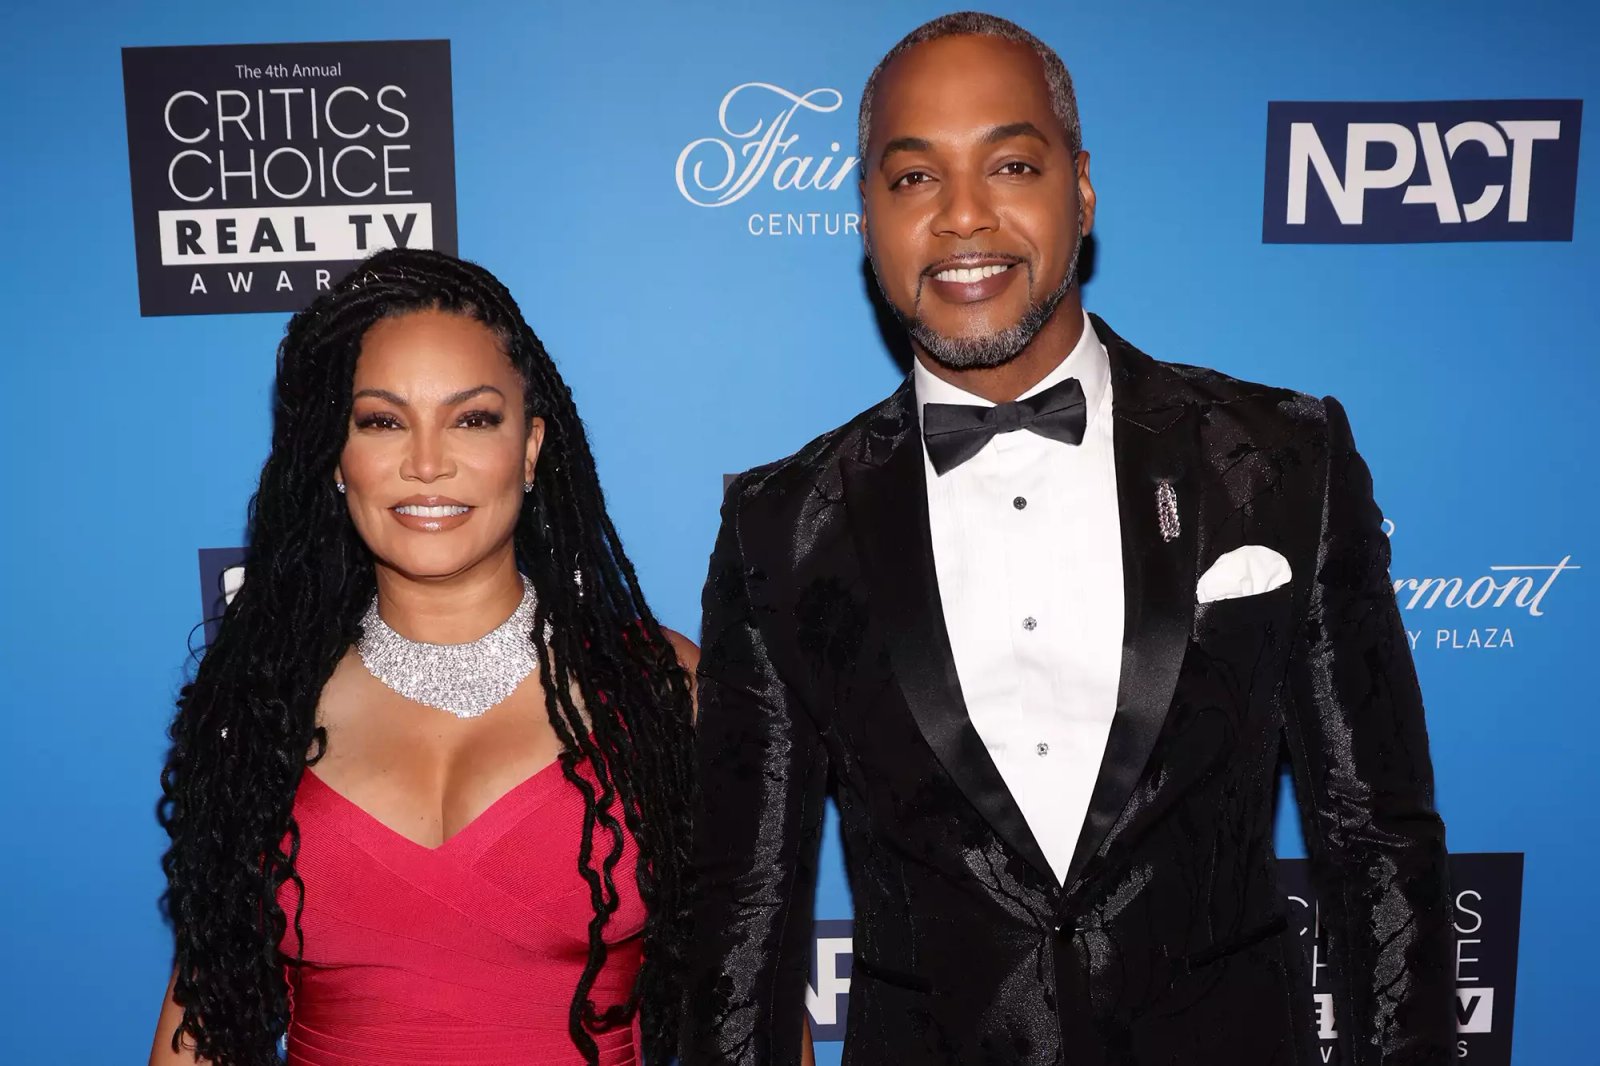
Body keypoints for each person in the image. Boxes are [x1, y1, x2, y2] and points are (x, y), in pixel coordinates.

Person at [683, 11, 1455, 1065]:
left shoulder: (1277, 460)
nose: (961, 215)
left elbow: (1378, 847)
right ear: (866, 213)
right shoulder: (782, 523)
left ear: (1079, 190)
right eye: (912, 178)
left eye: (1008, 164)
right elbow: (745, 910)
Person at [149, 248, 697, 1065]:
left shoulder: (662, 691)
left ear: (533, 444)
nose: (427, 462)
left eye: (473, 418)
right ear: (334, 455)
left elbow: (752, 1003)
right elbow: (205, 1023)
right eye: (382, 421)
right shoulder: (264, 702)